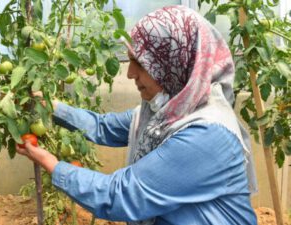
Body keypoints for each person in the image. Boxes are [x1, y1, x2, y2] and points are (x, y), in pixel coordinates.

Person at [16, 5, 258, 225]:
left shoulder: (207, 134)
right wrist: (49, 105)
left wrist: (52, 163)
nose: (130, 73)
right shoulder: (167, 113)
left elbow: (120, 196)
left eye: (141, 63)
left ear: (174, 62)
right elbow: (103, 126)